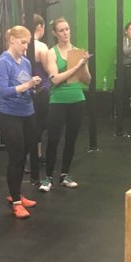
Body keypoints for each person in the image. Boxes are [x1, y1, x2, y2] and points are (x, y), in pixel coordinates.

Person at [0, 26, 42, 218]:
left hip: (27, 113)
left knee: (23, 155)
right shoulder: (3, 62)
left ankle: (16, 193)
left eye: (27, 43)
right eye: (23, 42)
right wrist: (26, 85)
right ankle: (15, 201)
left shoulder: (26, 62)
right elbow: (2, 91)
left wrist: (33, 87)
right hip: (10, 115)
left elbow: (26, 87)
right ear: (12, 40)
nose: (25, 47)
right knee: (15, 157)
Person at [41, 17, 90, 192]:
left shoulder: (78, 52)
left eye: (67, 29)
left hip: (77, 98)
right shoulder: (52, 53)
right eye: (61, 30)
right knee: (53, 139)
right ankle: (48, 177)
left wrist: (83, 65)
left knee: (71, 139)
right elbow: (55, 79)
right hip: (58, 100)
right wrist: (76, 67)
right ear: (55, 33)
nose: (65, 33)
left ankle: (65, 175)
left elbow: (87, 80)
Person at [28, 14, 51, 184]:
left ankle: (35, 155)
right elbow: (49, 70)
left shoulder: (22, 46)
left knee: (31, 124)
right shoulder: (42, 47)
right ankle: (38, 156)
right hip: (42, 89)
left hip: (28, 89)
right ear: (40, 27)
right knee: (41, 125)